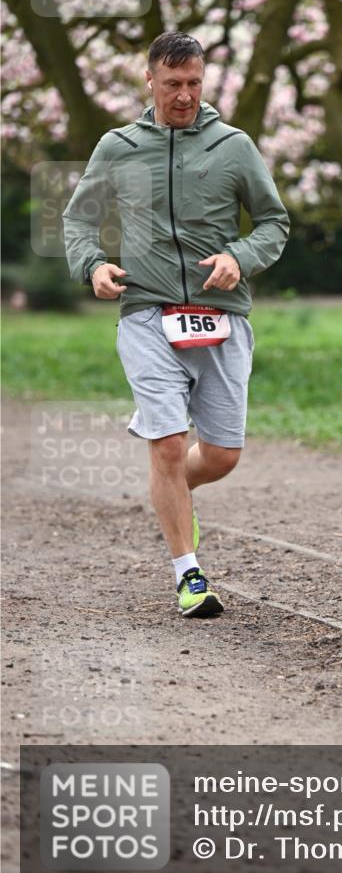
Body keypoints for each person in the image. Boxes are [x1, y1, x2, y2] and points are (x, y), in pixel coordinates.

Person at [63, 32, 289, 618]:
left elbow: (274, 221)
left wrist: (240, 256)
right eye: (172, 84)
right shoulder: (118, 147)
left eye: (193, 83)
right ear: (150, 81)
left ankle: (176, 497)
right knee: (166, 444)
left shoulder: (233, 146)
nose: (184, 95)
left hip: (222, 316)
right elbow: (79, 221)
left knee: (220, 456)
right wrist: (93, 266)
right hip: (146, 313)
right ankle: (189, 575)